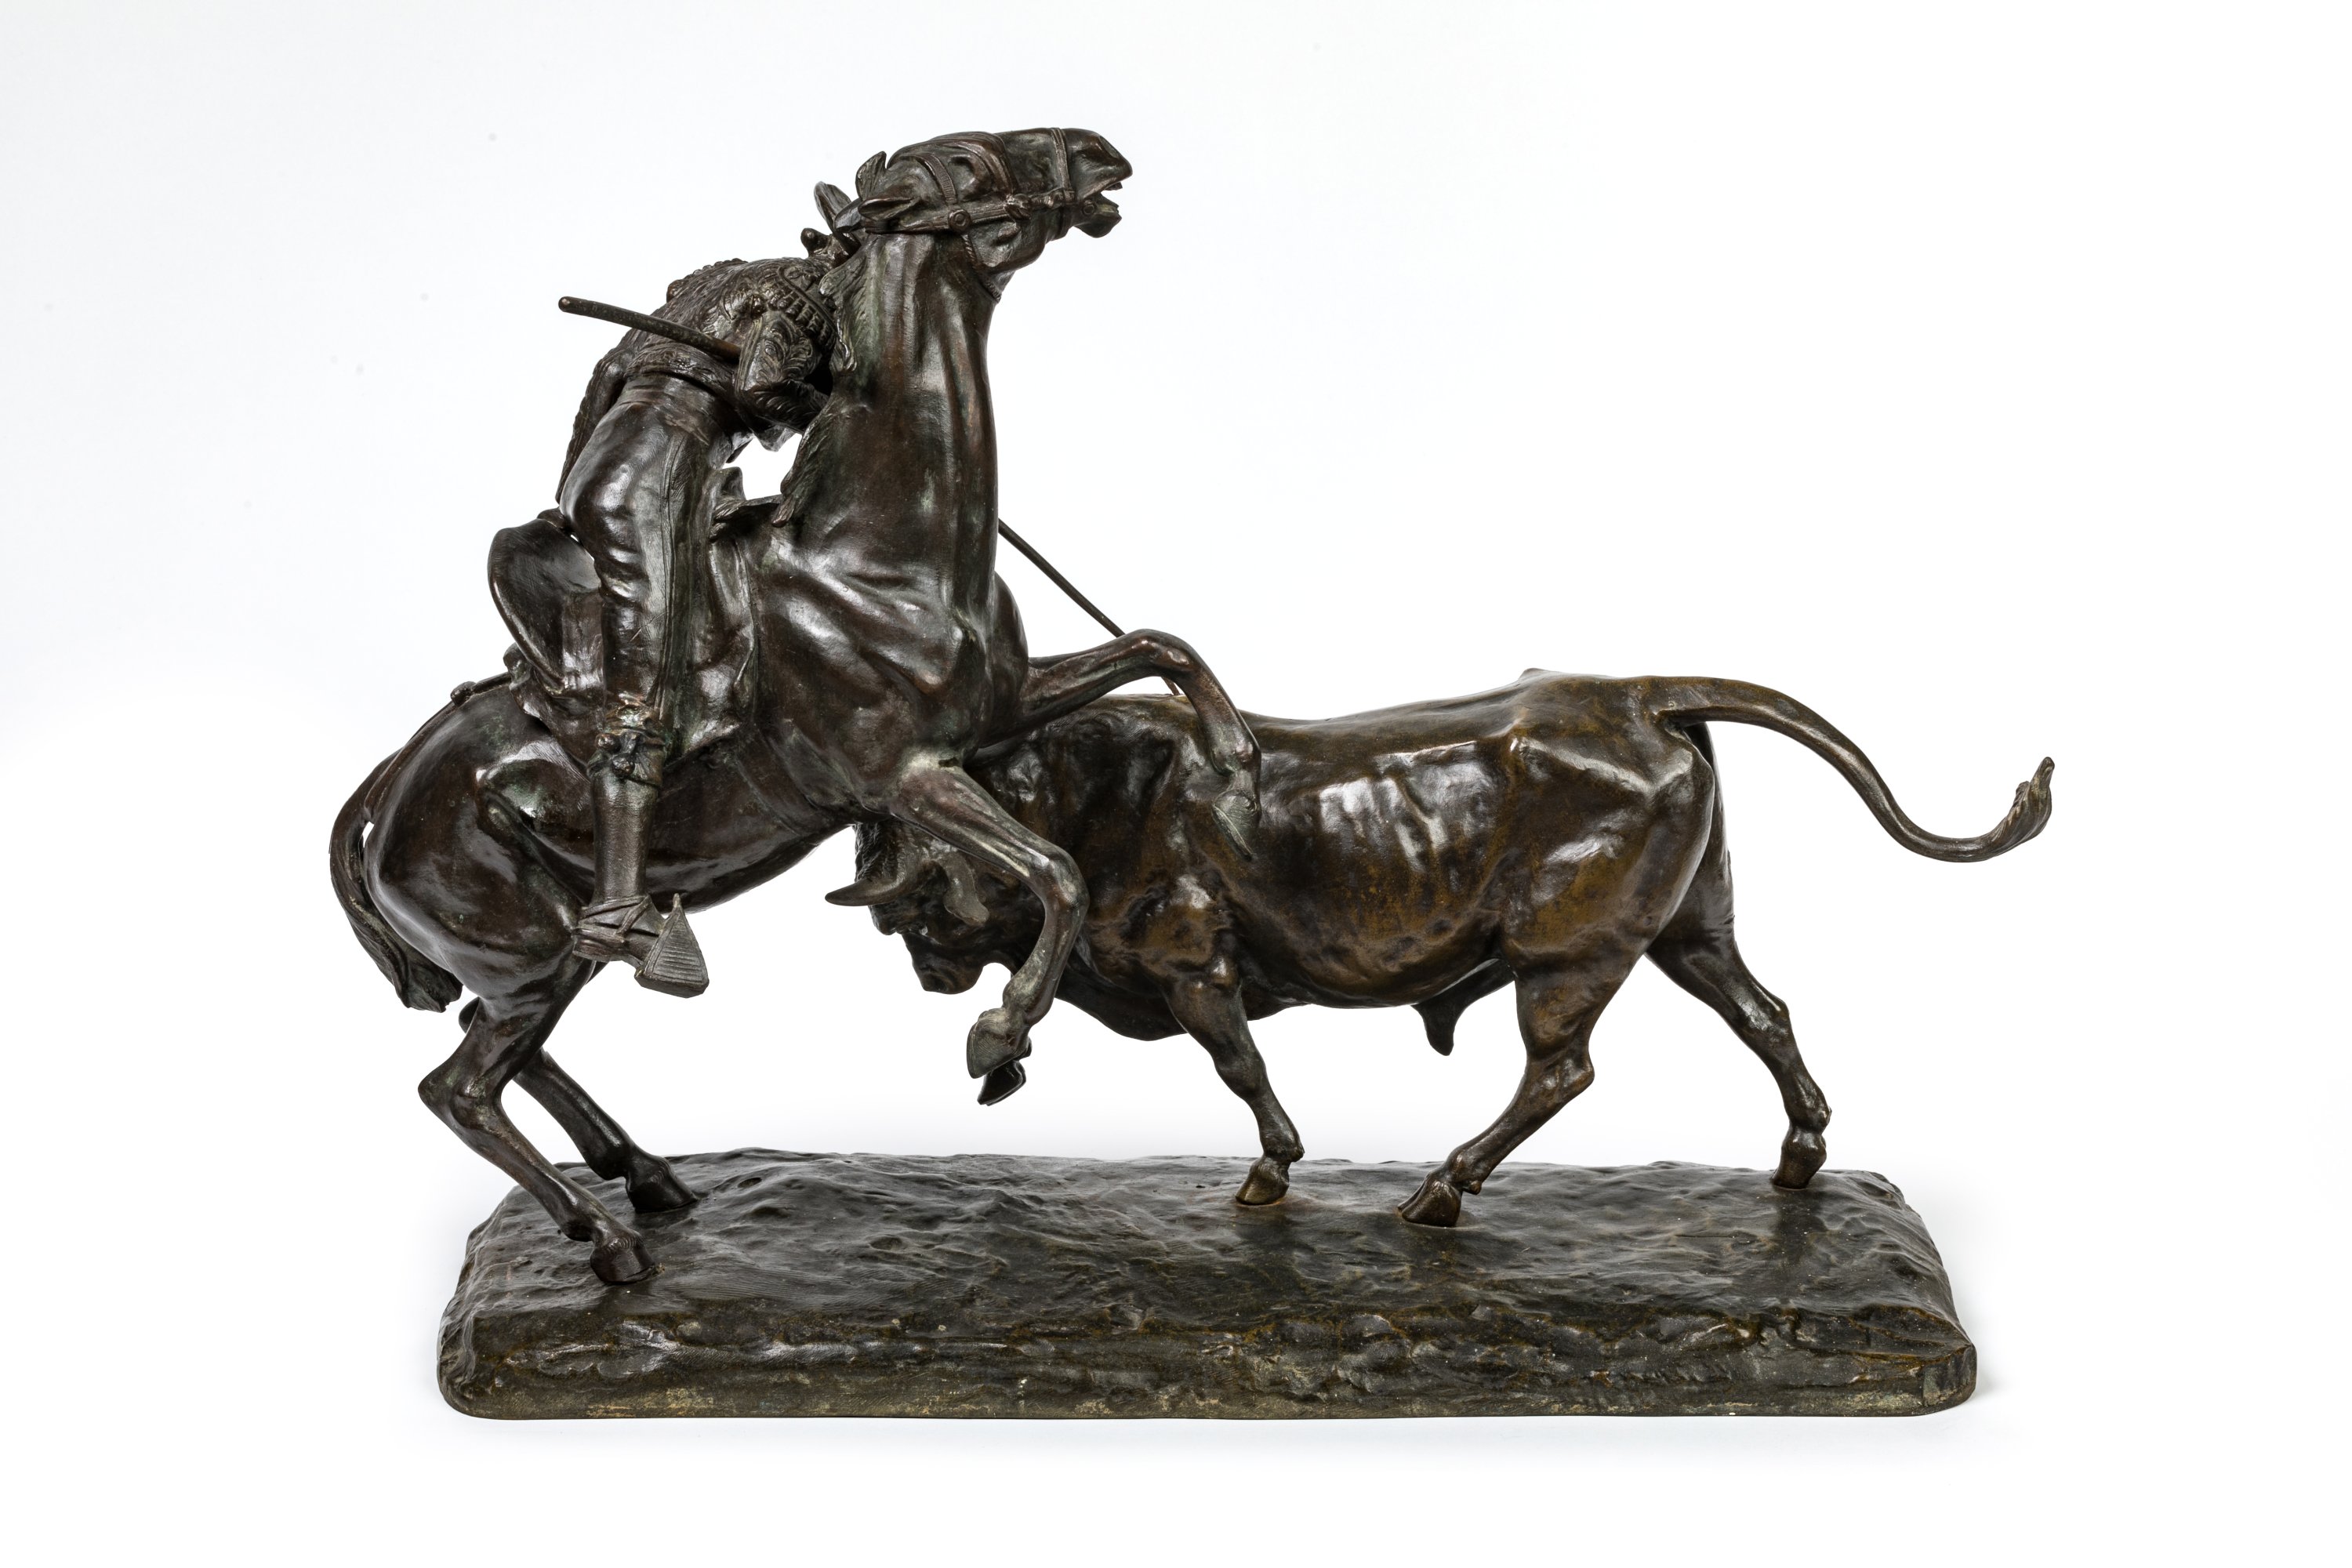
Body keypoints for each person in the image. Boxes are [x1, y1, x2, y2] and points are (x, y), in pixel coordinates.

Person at [555, 233, 840, 993]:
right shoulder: (807, 301)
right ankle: (618, 905)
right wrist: (834, 410)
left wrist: (573, 490)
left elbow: (607, 374)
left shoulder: (716, 283)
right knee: (646, 685)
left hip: (613, 466)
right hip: (661, 477)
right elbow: (763, 389)